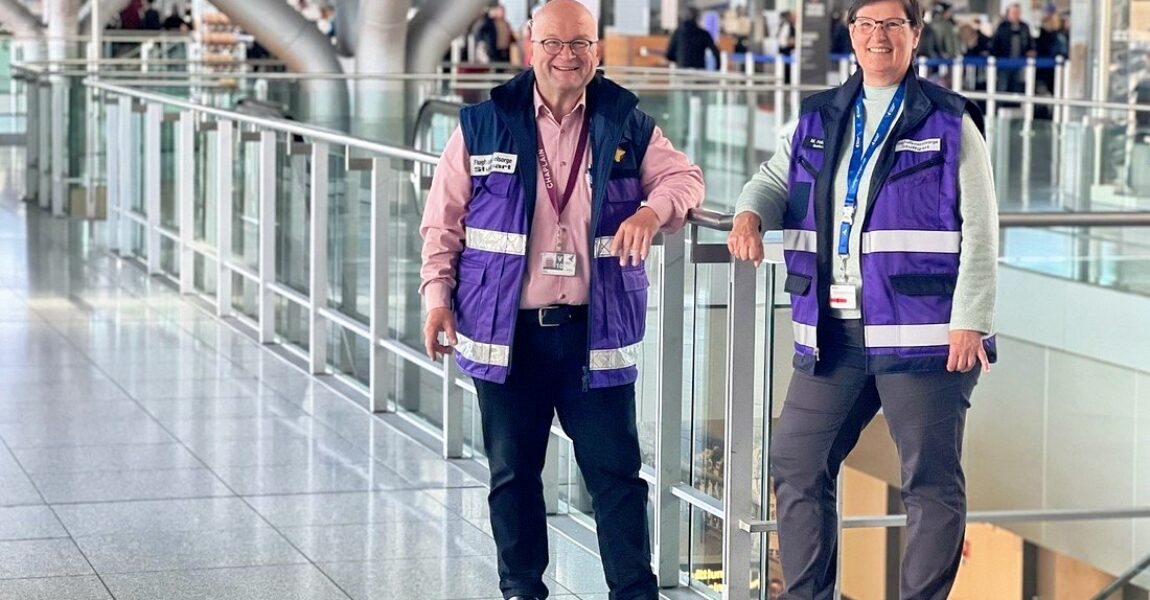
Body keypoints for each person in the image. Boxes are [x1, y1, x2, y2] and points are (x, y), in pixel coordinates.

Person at [419, 2, 705, 599]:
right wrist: (436, 297)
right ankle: (522, 589)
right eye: (553, 42)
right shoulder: (482, 123)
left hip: (593, 336)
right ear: (530, 45)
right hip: (506, 333)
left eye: (580, 43)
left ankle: (633, 591)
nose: (566, 55)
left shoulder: (625, 121)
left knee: (617, 478)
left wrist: (651, 213)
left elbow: (686, 179)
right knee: (513, 475)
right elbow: (442, 222)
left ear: (597, 49)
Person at [727, 0, 999, 597]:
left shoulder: (950, 121)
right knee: (797, 464)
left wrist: (971, 320)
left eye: (892, 24)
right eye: (867, 24)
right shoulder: (820, 116)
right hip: (835, 332)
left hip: (924, 336)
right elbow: (777, 178)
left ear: (916, 34)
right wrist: (750, 213)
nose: (878, 36)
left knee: (928, 482)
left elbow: (982, 226)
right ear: (851, 33)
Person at [991, 2, 1035, 93]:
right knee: (1002, 87)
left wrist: (1030, 51)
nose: (1016, 15)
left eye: (1017, 12)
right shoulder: (1002, 27)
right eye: (1013, 12)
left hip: (1020, 63)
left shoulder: (1024, 27)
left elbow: (1030, 42)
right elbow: (996, 43)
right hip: (1004, 62)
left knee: (1017, 86)